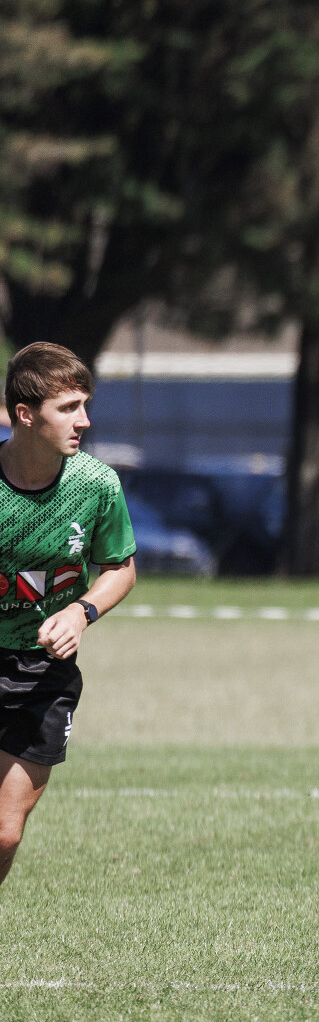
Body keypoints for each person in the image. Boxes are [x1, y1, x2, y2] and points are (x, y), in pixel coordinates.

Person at [0, 344, 139, 887]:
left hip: (41, 674)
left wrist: (81, 613)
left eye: (85, 405)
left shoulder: (96, 485)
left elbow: (120, 569)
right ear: (25, 414)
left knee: (5, 834)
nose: (85, 421)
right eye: (68, 408)